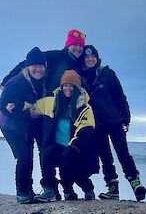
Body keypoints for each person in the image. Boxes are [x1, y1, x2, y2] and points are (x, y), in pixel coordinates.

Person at [81, 45, 146, 201]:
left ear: (97, 58)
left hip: (114, 121)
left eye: (93, 57)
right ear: (84, 60)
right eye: (87, 57)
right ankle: (112, 188)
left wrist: (126, 118)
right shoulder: (81, 77)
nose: (90, 59)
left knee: (123, 154)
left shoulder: (107, 74)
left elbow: (120, 97)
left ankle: (136, 184)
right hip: (96, 125)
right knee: (105, 157)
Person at [34, 70, 99, 202]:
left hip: (76, 147)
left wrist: (73, 148)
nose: (68, 88)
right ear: (62, 86)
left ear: (76, 88)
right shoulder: (52, 102)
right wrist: (16, 106)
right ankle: (49, 190)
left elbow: (85, 131)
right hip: (57, 146)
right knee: (46, 154)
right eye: (65, 85)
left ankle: (87, 189)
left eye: (71, 86)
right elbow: (33, 107)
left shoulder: (85, 108)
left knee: (73, 171)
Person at [0, 47, 46, 204]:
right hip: (11, 126)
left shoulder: (36, 81)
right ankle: (22, 193)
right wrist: (27, 112)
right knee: (24, 156)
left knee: (28, 156)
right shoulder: (17, 82)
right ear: (28, 66)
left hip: (23, 125)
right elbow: (3, 105)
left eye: (41, 66)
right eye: (35, 66)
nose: (38, 69)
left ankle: (28, 190)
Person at [1, 29, 86, 95]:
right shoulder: (55, 56)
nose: (78, 48)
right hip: (45, 101)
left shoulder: (81, 63)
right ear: (68, 46)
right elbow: (29, 62)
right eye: (75, 44)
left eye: (80, 46)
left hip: (64, 105)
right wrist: (7, 80)